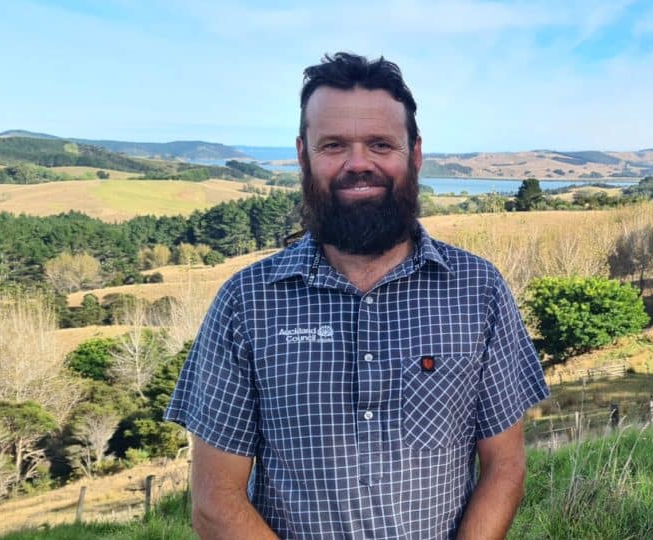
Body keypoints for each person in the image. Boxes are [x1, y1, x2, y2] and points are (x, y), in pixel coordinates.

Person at [166, 52, 549, 539]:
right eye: (333, 145)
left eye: (380, 144)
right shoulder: (245, 303)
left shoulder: (480, 290)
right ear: (304, 155)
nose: (358, 164)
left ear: (414, 154)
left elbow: (505, 467)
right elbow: (215, 501)